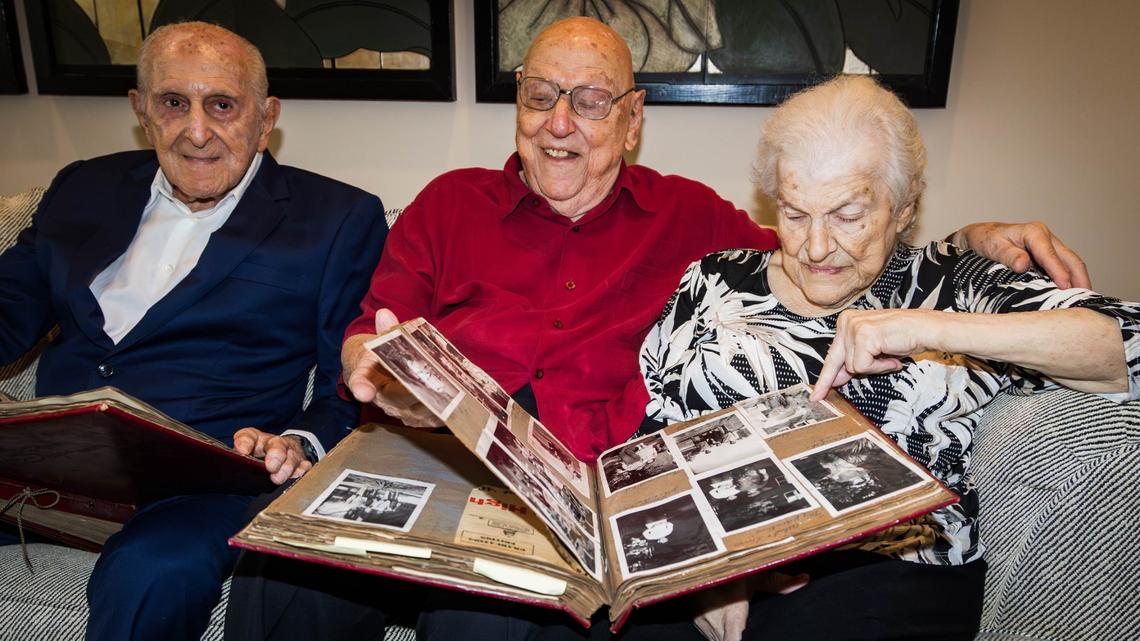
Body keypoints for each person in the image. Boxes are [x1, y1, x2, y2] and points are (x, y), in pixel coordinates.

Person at [231, 16, 1092, 641]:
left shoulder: (692, 221)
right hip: (421, 462)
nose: (559, 121)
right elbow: (363, 338)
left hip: (560, 507)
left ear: (633, 119)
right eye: (540, 95)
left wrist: (968, 243)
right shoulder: (449, 203)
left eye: (591, 100)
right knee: (282, 572)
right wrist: (374, 369)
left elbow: (830, 250)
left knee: (479, 615)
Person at [638, 74, 1139, 641]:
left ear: (904, 209)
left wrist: (922, 324)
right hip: (717, 557)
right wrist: (710, 571)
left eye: (848, 215)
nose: (817, 246)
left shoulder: (953, 284)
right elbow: (654, 433)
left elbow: (1126, 342)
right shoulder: (715, 278)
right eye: (796, 214)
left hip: (885, 571)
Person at [0, 22, 386, 641]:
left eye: (223, 106)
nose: (197, 131)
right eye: (173, 103)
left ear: (265, 120)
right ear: (141, 112)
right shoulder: (82, 187)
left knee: (157, 571)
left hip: (200, 481)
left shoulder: (337, 219)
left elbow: (355, 380)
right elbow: (10, 305)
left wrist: (299, 441)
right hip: (47, 467)